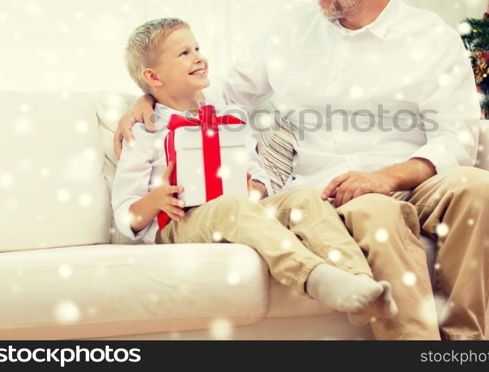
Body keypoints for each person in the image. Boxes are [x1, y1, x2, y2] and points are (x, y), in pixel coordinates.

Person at [115, 0, 489, 340]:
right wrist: (148, 96)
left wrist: (386, 177)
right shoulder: (290, 30)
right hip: (330, 191)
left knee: (478, 187)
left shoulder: (431, 37)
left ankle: (464, 343)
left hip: (411, 177)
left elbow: (457, 138)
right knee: (378, 210)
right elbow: (219, 94)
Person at [112, 17, 397, 327]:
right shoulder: (144, 131)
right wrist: (155, 200)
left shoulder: (228, 117)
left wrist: (255, 189)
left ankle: (358, 283)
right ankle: (314, 277)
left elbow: (257, 171)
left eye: (197, 48)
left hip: (237, 208)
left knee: (305, 197)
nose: (198, 57)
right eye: (184, 54)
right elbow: (125, 214)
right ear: (153, 76)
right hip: (180, 225)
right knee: (230, 207)